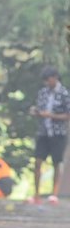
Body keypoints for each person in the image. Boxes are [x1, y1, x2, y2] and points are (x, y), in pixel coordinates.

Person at [29, 65, 70, 204]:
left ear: (55, 78)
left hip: (58, 133)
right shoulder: (43, 93)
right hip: (43, 132)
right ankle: (36, 193)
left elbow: (67, 115)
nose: (47, 83)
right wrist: (36, 112)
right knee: (38, 161)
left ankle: (54, 194)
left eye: (49, 79)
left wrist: (51, 116)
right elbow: (39, 109)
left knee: (57, 162)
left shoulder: (64, 93)